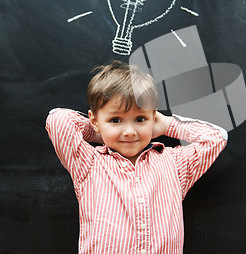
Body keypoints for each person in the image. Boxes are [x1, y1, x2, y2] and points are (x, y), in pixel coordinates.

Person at [45, 60, 227, 254]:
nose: (130, 131)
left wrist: (166, 125)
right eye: (116, 120)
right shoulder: (88, 163)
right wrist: (99, 132)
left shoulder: (174, 164)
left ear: (153, 117)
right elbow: (57, 120)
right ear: (94, 120)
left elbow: (216, 137)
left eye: (140, 119)